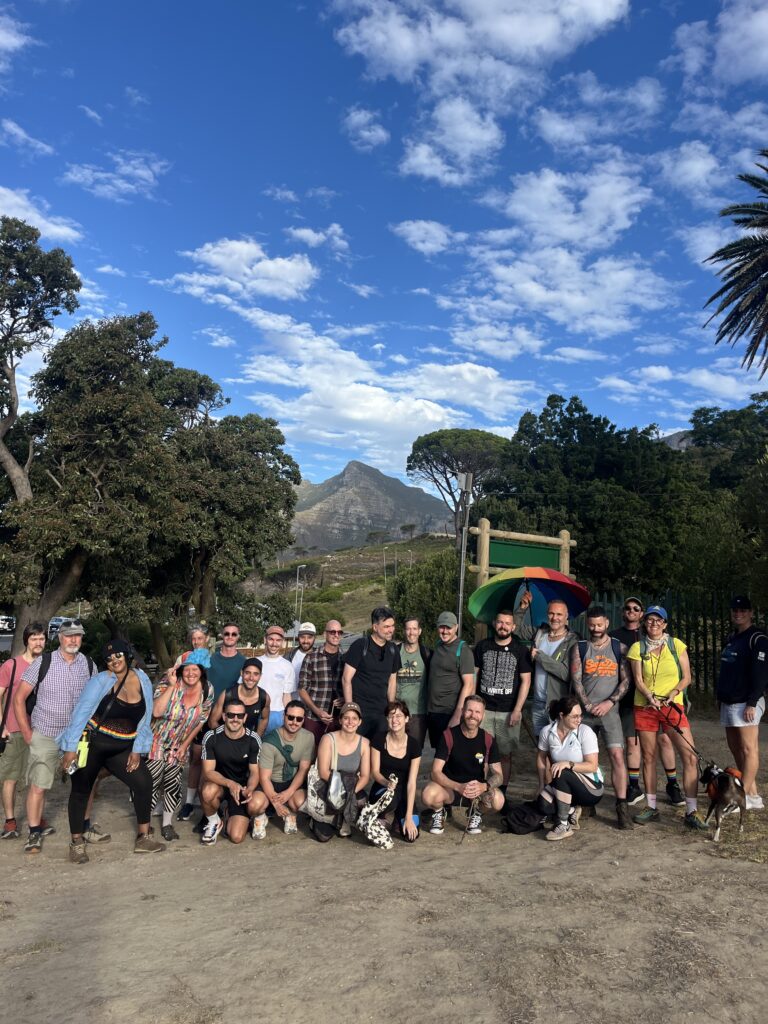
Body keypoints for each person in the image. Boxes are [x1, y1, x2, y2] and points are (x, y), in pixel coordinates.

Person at [60, 640, 164, 862]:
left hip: (122, 747)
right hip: (93, 744)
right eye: (108, 658)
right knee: (81, 790)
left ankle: (143, 837)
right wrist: (70, 749)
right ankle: (77, 843)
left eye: (118, 655)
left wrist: (137, 750)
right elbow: (81, 713)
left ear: (127, 655)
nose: (114, 660)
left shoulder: (142, 679)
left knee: (143, 782)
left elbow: (146, 716)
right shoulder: (100, 680)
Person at [13, 619, 98, 854]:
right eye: (68, 635)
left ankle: (85, 827)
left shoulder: (89, 664)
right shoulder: (43, 662)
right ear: (60, 637)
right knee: (39, 786)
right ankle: (34, 832)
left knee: (85, 785)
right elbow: (19, 699)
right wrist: (28, 734)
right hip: (46, 735)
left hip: (78, 738)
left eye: (77, 635)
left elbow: (97, 698)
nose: (73, 639)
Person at [626, 606, 708, 830]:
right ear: (645, 623)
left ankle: (691, 810)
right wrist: (649, 697)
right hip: (645, 706)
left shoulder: (676, 645)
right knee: (649, 757)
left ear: (665, 624)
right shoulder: (637, 648)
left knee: (690, 756)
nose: (654, 623)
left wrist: (673, 693)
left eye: (658, 620)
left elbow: (687, 677)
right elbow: (638, 679)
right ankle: (651, 806)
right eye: (650, 619)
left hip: (672, 706)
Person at [610, 597, 683, 807]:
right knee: (633, 743)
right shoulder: (615, 637)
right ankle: (634, 786)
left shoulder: (654, 639)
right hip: (631, 699)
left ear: (641, 614)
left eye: (636, 608)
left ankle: (672, 784)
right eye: (627, 608)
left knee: (665, 741)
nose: (631, 611)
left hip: (660, 700)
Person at [570, 606, 633, 830]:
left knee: (617, 756)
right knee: (582, 758)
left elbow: (626, 680)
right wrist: (587, 705)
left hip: (610, 713)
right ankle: (585, 801)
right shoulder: (580, 648)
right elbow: (576, 679)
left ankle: (622, 806)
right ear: (587, 624)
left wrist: (610, 702)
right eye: (592, 625)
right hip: (585, 714)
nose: (596, 628)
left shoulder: (619, 648)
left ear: (607, 623)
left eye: (599, 624)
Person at [178, 621, 243, 819]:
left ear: (238, 637)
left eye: (234, 634)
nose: (230, 637)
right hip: (204, 716)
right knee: (197, 759)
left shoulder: (243, 662)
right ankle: (190, 802)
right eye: (226, 633)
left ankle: (219, 801)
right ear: (221, 636)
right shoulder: (208, 659)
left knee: (220, 761)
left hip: (229, 718)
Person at [146, 652, 214, 841]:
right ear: (180, 670)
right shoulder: (168, 683)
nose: (191, 673)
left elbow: (201, 720)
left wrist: (185, 745)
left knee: (172, 783)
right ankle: (145, 823)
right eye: (187, 669)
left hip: (179, 743)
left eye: (195, 669)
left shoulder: (207, 689)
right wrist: (170, 685)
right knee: (152, 780)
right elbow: (156, 711)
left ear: (201, 671)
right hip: (156, 740)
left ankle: (167, 824)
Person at [422, 694, 505, 836]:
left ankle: (476, 813)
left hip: (476, 791)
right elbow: (435, 772)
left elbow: (499, 775)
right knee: (428, 794)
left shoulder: (488, 740)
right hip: (450, 788)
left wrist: (484, 786)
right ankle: (439, 812)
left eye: (477, 712)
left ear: (483, 715)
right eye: (469, 710)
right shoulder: (448, 736)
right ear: (462, 711)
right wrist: (458, 786)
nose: (473, 715)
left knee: (498, 800)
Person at [717, 595, 768, 810]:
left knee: (749, 749)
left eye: (743, 610)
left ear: (750, 613)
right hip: (729, 701)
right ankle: (753, 795)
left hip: (746, 702)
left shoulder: (757, 638)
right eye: (735, 610)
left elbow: (762, 674)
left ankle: (740, 797)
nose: (738, 614)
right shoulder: (732, 638)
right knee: (736, 748)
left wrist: (752, 702)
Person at [474, 609, 532, 788]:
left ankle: (502, 793)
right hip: (484, 710)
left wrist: (517, 710)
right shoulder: (482, 646)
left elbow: (526, 681)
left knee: (505, 755)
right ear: (494, 623)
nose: (503, 626)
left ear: (513, 627)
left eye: (507, 623)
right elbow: (475, 675)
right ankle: (480, 790)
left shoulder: (520, 650)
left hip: (507, 711)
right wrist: (474, 705)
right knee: (481, 754)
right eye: (500, 622)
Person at [0, 622, 46, 840]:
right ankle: (10, 821)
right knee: (11, 778)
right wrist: (2, 726)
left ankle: (36, 818)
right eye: (34, 638)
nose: (38, 642)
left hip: (40, 730)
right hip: (15, 729)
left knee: (39, 777)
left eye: (41, 638)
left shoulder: (47, 665)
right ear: (26, 640)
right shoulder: (12, 665)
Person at [536, 696, 604, 841]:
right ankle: (572, 810)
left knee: (562, 772)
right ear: (562, 715)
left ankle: (563, 824)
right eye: (574, 716)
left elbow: (592, 766)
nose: (579, 720)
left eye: (580, 715)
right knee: (543, 805)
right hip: (564, 785)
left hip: (592, 787)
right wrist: (542, 785)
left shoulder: (585, 732)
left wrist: (569, 764)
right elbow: (541, 758)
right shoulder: (547, 732)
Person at [199, 697, 262, 845]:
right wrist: (230, 783)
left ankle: (230, 812)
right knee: (207, 791)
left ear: (245, 718)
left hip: (242, 788)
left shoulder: (253, 739)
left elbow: (254, 772)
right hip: (220, 784)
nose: (235, 719)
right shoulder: (211, 737)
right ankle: (214, 821)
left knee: (236, 837)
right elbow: (208, 772)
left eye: (239, 715)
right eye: (231, 715)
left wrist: (250, 789)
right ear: (224, 716)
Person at [514, 597, 578, 736]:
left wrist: (540, 657)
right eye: (551, 613)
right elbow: (515, 628)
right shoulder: (540, 633)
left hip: (558, 704)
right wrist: (522, 608)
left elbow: (566, 673)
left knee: (557, 743)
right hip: (538, 702)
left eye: (559, 614)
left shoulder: (572, 641)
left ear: (566, 616)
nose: (555, 618)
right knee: (540, 742)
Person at [250, 699, 314, 838]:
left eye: (299, 719)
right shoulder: (269, 741)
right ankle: (261, 816)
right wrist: (276, 803)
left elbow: (303, 769)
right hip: (270, 782)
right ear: (284, 716)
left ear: (303, 720)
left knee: (301, 801)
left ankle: (291, 814)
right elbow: (264, 778)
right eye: (290, 717)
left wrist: (289, 792)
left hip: (291, 782)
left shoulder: (308, 737)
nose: (294, 722)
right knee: (254, 805)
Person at [312, 702, 371, 840]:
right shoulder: (328, 739)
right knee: (323, 836)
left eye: (354, 718)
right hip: (329, 787)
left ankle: (344, 818)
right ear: (340, 720)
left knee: (362, 800)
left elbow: (365, 776)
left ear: (360, 722)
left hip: (350, 786)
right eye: (346, 718)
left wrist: (350, 793)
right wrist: (340, 792)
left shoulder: (364, 743)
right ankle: (322, 818)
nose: (350, 722)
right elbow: (323, 772)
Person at [342, 607, 400, 739]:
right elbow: (346, 679)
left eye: (392, 626)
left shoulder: (393, 650)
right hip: (359, 712)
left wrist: (391, 708)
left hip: (381, 713)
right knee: (357, 749)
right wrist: (350, 709)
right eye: (386, 626)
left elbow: (392, 681)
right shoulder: (360, 646)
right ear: (375, 627)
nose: (391, 630)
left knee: (378, 750)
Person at [369, 699, 421, 841]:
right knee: (391, 799)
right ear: (387, 719)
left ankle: (400, 817)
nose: (394, 720)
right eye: (391, 716)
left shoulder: (414, 745)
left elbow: (412, 783)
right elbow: (375, 772)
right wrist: (387, 783)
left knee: (411, 836)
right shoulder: (379, 739)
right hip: (383, 789)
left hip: (403, 791)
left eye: (399, 716)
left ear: (406, 719)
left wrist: (408, 817)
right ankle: (380, 816)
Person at [425, 610, 475, 749]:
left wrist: (458, 715)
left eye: (449, 627)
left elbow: (469, 684)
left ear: (456, 627)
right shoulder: (438, 645)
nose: (445, 631)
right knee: (438, 750)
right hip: (434, 711)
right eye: (442, 627)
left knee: (451, 752)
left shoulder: (463, 650)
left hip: (449, 712)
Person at [298, 619, 344, 747]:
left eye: (339, 632)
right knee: (310, 754)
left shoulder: (346, 658)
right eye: (332, 632)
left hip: (338, 718)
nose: (336, 635)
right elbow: (301, 689)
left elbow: (350, 685)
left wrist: (344, 699)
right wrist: (318, 711)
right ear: (325, 634)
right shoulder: (311, 657)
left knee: (333, 755)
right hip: (314, 718)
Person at [208, 657, 270, 735]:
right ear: (241, 673)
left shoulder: (264, 697)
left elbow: (264, 719)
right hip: (226, 738)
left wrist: (257, 737)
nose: (251, 678)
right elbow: (212, 721)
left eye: (255, 674)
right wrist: (225, 739)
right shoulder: (227, 694)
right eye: (247, 673)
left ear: (260, 676)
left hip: (248, 741)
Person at [395, 617, 431, 749]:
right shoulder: (396, 651)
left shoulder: (427, 654)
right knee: (395, 749)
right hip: (398, 711)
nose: (411, 632)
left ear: (419, 631)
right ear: (404, 631)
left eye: (414, 629)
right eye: (408, 629)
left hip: (418, 713)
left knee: (414, 751)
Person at [260, 625, 295, 733]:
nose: (274, 643)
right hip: (257, 713)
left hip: (277, 715)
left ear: (282, 642)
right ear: (265, 640)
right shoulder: (256, 663)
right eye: (271, 639)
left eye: (278, 640)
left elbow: (287, 695)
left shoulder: (287, 666)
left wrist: (289, 716)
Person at [287, 622, 316, 689]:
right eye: (302, 637)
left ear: (314, 638)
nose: (306, 641)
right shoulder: (288, 657)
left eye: (309, 637)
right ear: (298, 637)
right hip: (291, 695)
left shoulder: (321, 657)